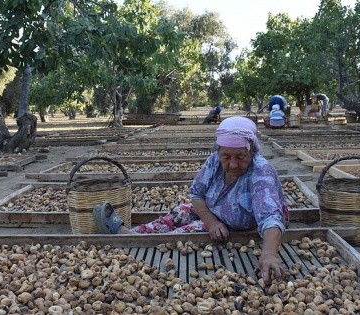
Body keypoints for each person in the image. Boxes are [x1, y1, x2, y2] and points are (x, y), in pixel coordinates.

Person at [94, 116, 289, 282]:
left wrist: (269, 253)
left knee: (187, 232)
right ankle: (133, 234)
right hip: (215, 212)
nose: (232, 164)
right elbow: (196, 193)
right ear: (219, 152)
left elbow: (271, 217)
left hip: (242, 225)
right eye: (226, 157)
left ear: (251, 151)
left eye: (240, 156)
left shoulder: (261, 172)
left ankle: (138, 240)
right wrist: (212, 221)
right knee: (181, 211)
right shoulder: (214, 160)